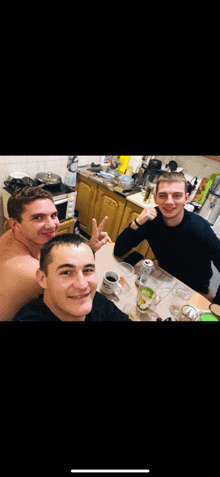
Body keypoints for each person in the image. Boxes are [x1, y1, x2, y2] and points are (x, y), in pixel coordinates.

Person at [0, 186, 111, 321]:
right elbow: (78, 298)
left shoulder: (10, 235)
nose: (52, 225)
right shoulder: (31, 273)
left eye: (53, 215)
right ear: (15, 223)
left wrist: (90, 247)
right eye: (38, 217)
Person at [114, 172, 220, 304]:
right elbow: (119, 249)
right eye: (163, 195)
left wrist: (216, 307)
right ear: (155, 199)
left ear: (186, 199)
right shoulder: (151, 219)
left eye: (177, 196)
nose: (169, 202)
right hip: (163, 280)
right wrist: (138, 221)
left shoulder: (200, 229)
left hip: (195, 292)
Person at [13, 234, 131, 321]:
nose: (83, 285)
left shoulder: (98, 302)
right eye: (66, 272)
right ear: (43, 279)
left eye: (88, 270)